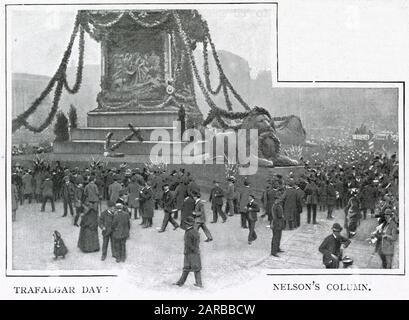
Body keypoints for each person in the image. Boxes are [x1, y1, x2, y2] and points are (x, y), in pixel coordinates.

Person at [173, 216, 203, 288]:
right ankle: (198, 283)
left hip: (189, 253)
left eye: (186, 224)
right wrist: (196, 249)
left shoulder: (188, 233)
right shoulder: (196, 231)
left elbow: (188, 244)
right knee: (196, 269)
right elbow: (198, 241)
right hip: (196, 252)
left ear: (187, 224)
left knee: (186, 268)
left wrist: (192, 249)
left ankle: (180, 283)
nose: (185, 225)